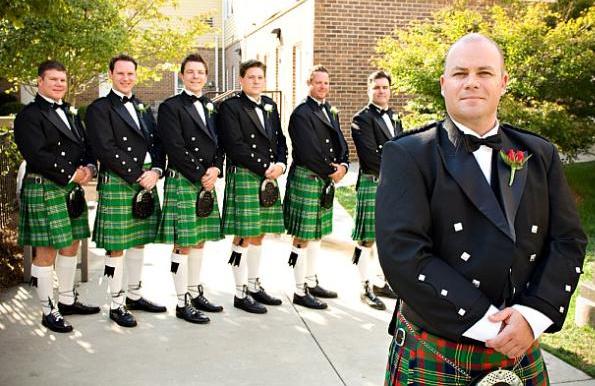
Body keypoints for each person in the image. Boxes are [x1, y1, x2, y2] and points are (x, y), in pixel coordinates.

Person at [377, 33, 587, 385]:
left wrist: (533, 316)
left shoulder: (539, 154)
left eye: (484, 73)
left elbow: (568, 241)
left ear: (503, 83)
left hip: (522, 336)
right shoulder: (409, 154)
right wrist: (491, 323)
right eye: (460, 73)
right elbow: (404, 254)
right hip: (441, 343)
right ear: (444, 85)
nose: (471, 82)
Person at [14, 60, 100, 333]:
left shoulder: (71, 113)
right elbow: (36, 154)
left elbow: (87, 145)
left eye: (62, 80)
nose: (59, 84)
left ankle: (65, 299)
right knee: (47, 251)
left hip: (69, 187)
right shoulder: (29, 115)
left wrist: (89, 167)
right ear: (40, 82)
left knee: (72, 243)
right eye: (53, 80)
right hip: (45, 186)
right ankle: (47, 310)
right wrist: (72, 174)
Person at [85, 54, 166, 328]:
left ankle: (134, 294)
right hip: (121, 182)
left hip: (146, 181)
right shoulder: (100, 108)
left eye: (130, 73)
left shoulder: (142, 107)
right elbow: (104, 149)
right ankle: (116, 302)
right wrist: (137, 175)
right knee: (116, 247)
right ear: (111, 75)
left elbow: (156, 143)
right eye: (120, 73)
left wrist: (156, 170)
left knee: (139, 241)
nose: (126, 78)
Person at [155, 53, 224, 324]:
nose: (196, 76)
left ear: (206, 77)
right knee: (182, 243)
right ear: (182, 75)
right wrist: (200, 174)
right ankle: (181, 300)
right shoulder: (171, 107)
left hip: (206, 179)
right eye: (191, 72)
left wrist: (216, 169)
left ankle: (195, 291)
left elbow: (220, 144)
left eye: (200, 72)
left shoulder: (211, 106)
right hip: (185, 179)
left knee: (199, 239)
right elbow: (175, 146)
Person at [218, 60, 288, 314]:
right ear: (241, 80)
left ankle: (253, 284)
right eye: (251, 77)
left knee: (260, 233)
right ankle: (239, 292)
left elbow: (280, 139)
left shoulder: (270, 105)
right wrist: (265, 167)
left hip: (268, 175)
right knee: (243, 234)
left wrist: (281, 163)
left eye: (260, 77)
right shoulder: (231, 107)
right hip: (246, 174)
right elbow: (234, 145)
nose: (256, 81)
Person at [285, 65, 349, 310]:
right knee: (301, 237)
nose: (323, 86)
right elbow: (306, 150)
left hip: (323, 178)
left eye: (326, 82)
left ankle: (311, 281)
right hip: (308, 176)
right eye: (318, 82)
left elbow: (341, 141)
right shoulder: (301, 113)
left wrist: (343, 164)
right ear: (309, 83)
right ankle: (299, 289)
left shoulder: (330, 110)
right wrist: (331, 171)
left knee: (317, 233)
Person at [350, 70, 401, 311]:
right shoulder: (361, 118)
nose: (381, 91)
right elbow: (370, 156)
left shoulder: (395, 116)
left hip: (392, 185)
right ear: (369, 90)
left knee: (387, 237)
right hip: (373, 181)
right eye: (376, 87)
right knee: (366, 238)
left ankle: (382, 283)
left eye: (384, 87)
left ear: (390, 90)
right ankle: (364, 286)